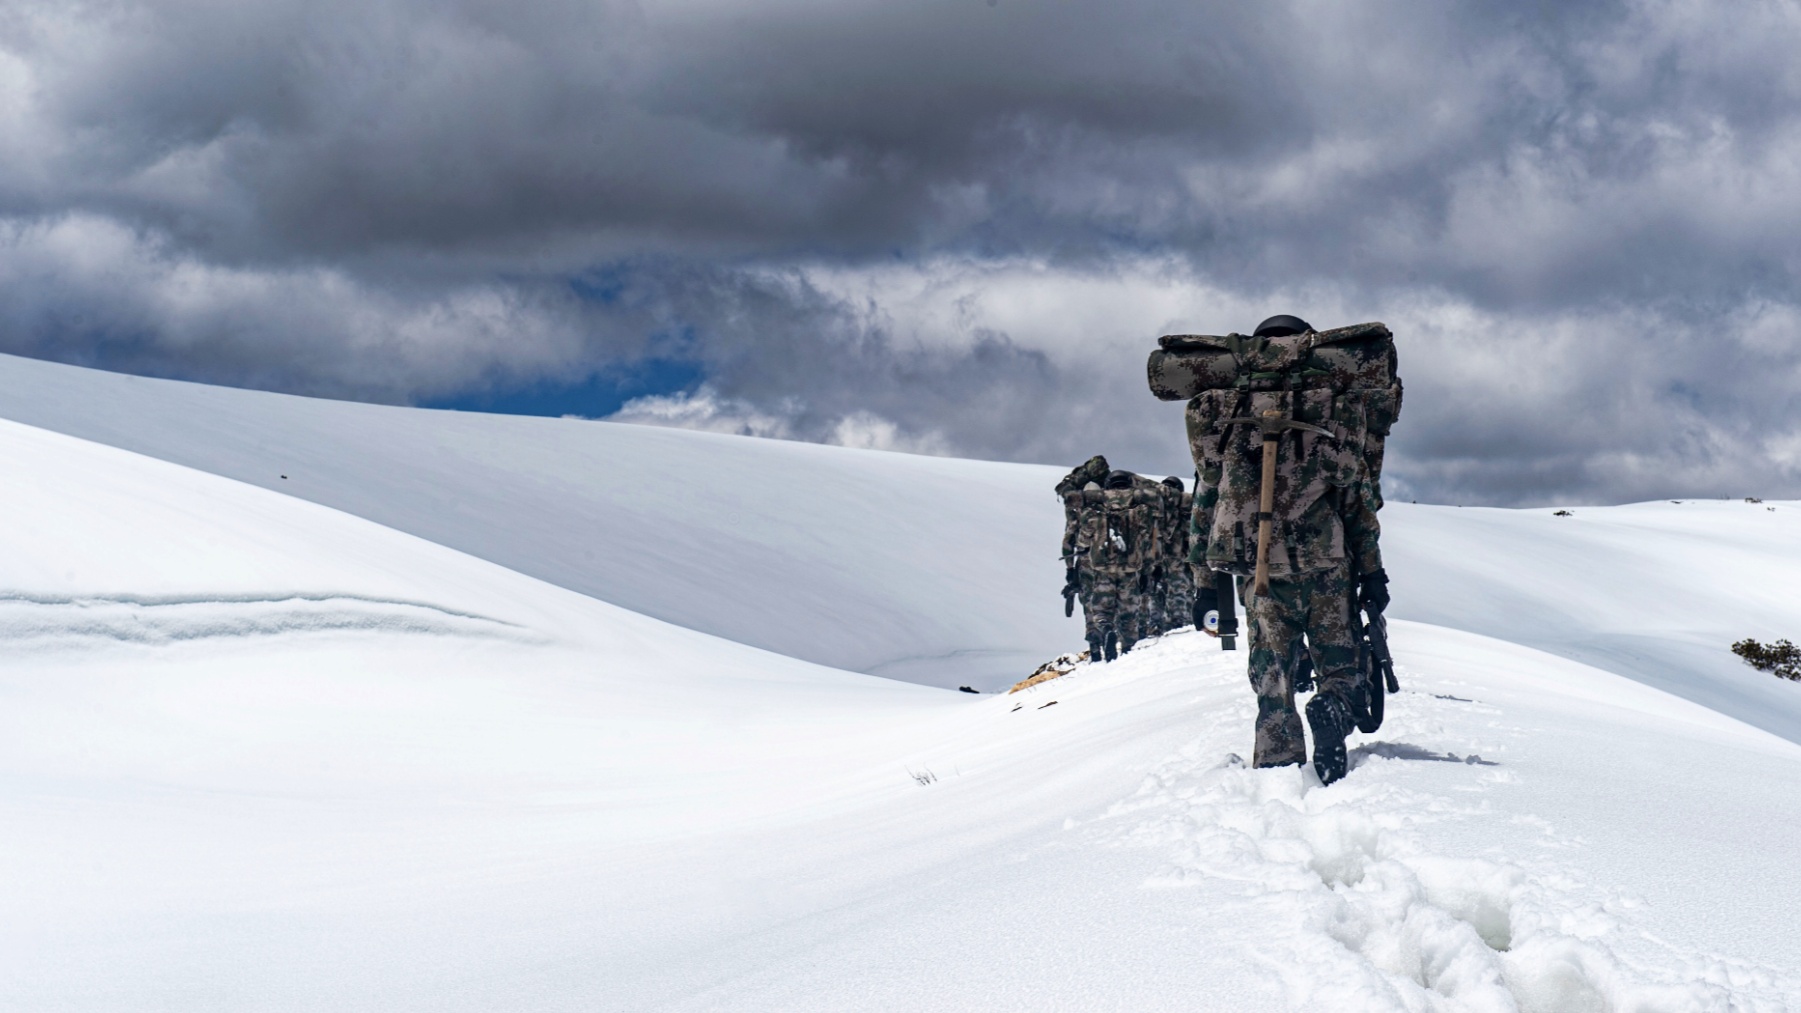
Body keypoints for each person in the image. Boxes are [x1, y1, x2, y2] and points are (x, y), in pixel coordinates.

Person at [1188, 314, 1392, 785]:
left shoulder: (1223, 421)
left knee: (1271, 675)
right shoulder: (1330, 410)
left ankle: (1278, 773)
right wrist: (1374, 573)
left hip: (1257, 570)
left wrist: (1204, 586)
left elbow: (1205, 507)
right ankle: (1335, 709)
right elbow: (1356, 503)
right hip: (1326, 565)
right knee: (1340, 663)